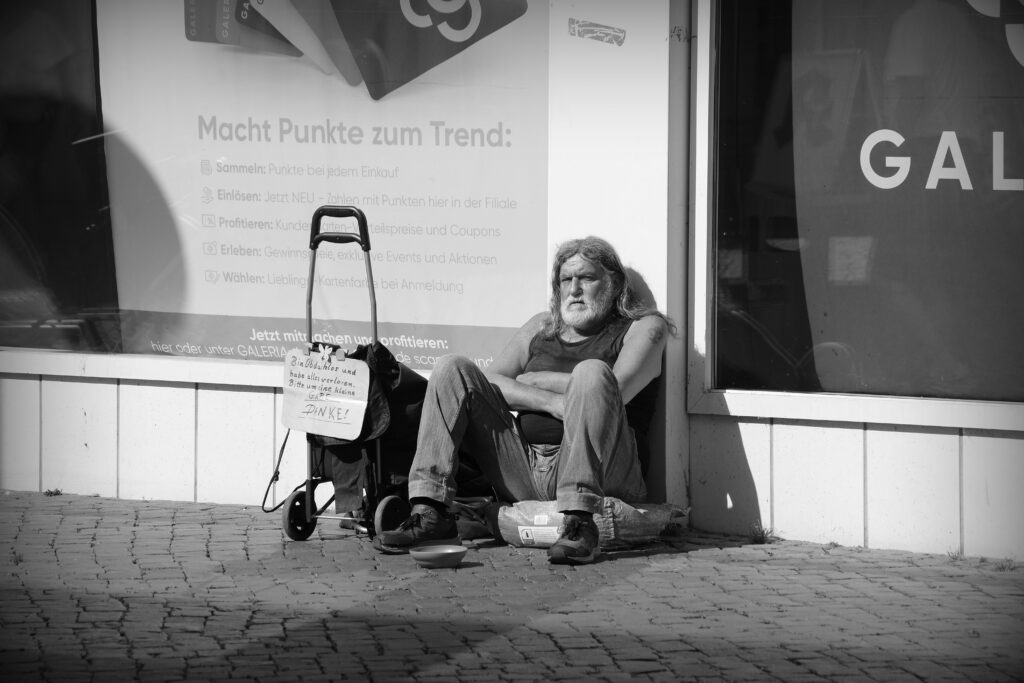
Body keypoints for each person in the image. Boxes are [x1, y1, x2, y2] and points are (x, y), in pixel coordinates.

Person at [375, 236, 673, 564]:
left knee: (592, 373)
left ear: (614, 284)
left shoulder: (644, 327)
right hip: (527, 466)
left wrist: (533, 381)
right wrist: (553, 403)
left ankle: (579, 523)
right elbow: (489, 380)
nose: (574, 289)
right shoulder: (541, 326)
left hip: (607, 470)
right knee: (451, 368)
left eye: (587, 278)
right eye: (566, 280)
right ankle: (431, 511)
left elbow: (616, 389)